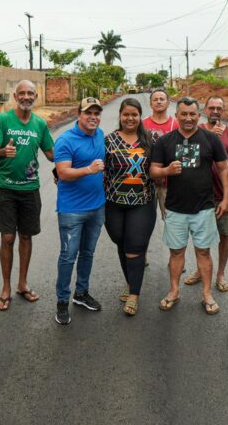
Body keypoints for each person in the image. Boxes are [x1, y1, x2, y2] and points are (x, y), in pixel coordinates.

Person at [150, 96, 228, 315]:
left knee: (203, 252)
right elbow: (153, 170)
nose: (188, 118)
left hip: (204, 208)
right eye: (183, 114)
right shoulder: (164, 142)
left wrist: (225, 198)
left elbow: (224, 169)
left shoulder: (210, 139)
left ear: (199, 115)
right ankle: (174, 291)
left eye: (192, 114)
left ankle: (206, 294)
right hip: (175, 208)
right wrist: (166, 171)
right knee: (176, 253)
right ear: (176, 116)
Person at [0, 80, 54, 312]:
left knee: (26, 237)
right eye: (22, 93)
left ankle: (22, 283)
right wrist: (2, 152)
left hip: (30, 189)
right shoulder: (2, 120)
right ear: (15, 97)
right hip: (5, 187)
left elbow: (52, 154)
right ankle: (5, 288)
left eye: (30, 93)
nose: (26, 97)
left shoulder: (40, 124)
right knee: (7, 238)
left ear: (35, 96)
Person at [53, 97, 107, 325]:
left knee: (88, 253)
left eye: (96, 113)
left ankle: (81, 293)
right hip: (72, 210)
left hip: (97, 207)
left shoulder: (100, 134)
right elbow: (63, 173)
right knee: (68, 256)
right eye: (88, 113)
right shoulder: (65, 140)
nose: (93, 117)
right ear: (79, 115)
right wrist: (88, 169)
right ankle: (62, 302)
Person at [104, 98, 156, 316]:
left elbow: (165, 160)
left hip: (141, 202)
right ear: (120, 116)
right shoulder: (108, 140)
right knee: (121, 241)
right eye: (126, 114)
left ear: (140, 116)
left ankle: (134, 294)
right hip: (114, 202)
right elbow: (91, 160)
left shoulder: (150, 140)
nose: (130, 118)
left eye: (134, 114)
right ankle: (130, 281)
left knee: (134, 247)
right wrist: (59, 173)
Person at [184, 96, 228, 292]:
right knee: (200, 236)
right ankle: (201, 270)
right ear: (205, 110)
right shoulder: (193, 131)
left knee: (225, 234)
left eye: (219, 108)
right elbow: (188, 163)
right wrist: (210, 138)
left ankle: (220, 274)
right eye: (212, 107)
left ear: (223, 111)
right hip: (200, 196)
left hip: (222, 195)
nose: (215, 111)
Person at [142, 89, 178, 220]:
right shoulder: (142, 124)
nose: (158, 102)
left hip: (169, 184)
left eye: (162, 99)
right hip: (147, 183)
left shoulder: (176, 125)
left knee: (171, 221)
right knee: (144, 221)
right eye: (155, 99)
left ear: (168, 103)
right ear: (150, 104)